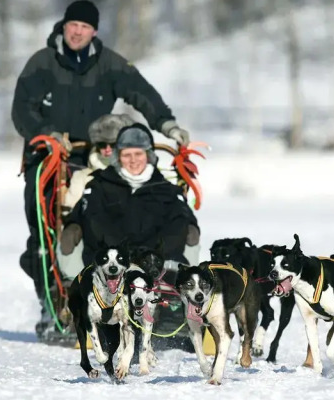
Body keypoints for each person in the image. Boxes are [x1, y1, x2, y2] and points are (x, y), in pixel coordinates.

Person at [11, 0, 192, 339]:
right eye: (72, 25)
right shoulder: (43, 62)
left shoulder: (109, 63)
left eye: (84, 26)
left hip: (99, 151)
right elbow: (22, 110)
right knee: (44, 230)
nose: (77, 31)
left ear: (94, 31)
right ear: (64, 27)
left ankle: (147, 297)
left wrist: (166, 124)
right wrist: (47, 134)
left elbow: (142, 93)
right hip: (49, 156)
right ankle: (52, 307)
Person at [62, 122, 200, 353]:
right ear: (118, 156)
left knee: (188, 235)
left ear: (148, 155)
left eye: (138, 154)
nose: (133, 160)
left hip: (157, 261)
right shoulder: (99, 186)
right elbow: (86, 219)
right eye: (127, 155)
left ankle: (172, 316)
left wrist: (158, 251)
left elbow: (182, 222)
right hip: (112, 262)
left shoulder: (166, 190)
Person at [56, 114, 134, 281]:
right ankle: (75, 282)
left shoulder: (139, 174)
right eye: (101, 145)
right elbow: (69, 213)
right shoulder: (83, 177)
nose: (106, 150)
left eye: (112, 144)